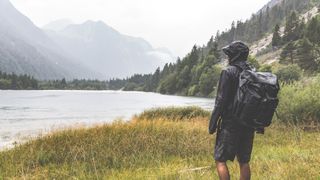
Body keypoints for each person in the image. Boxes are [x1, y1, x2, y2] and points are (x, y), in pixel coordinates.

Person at [209, 41, 260, 180]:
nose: (227, 57)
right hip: (248, 122)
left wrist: (212, 123)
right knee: (244, 161)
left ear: (235, 55)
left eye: (229, 54)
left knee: (220, 159)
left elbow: (220, 101)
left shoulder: (228, 72)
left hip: (230, 123)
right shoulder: (253, 72)